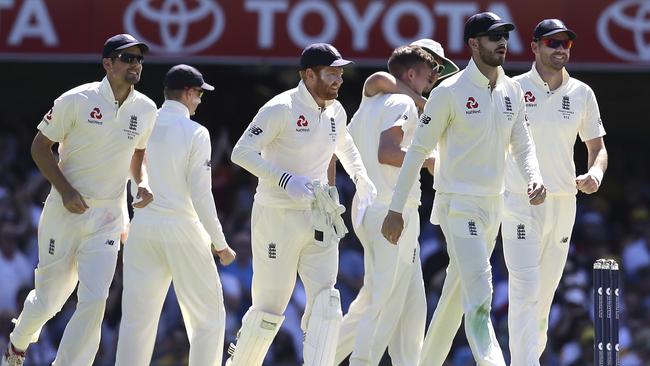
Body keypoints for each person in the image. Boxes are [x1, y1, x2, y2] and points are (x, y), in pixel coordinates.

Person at [381, 12, 546, 366]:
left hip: (493, 207)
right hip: (458, 206)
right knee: (480, 294)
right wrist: (395, 210)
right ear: (473, 44)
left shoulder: (512, 89)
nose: (502, 42)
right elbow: (418, 153)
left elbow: (523, 144)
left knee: (455, 299)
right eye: (492, 37)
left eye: (504, 35)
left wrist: (534, 176)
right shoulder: (448, 93)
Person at [1, 34, 157, 366]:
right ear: (108, 64)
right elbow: (39, 148)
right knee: (48, 301)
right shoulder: (76, 100)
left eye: (139, 59)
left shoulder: (146, 109)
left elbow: (138, 153)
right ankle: (16, 347)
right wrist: (66, 190)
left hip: (108, 218)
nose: (135, 64)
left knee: (95, 299)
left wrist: (141, 183)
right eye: (127, 58)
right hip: (65, 211)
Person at [227, 43, 376, 366]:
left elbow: (344, 145)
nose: (338, 79)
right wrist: (285, 180)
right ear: (308, 75)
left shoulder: (335, 110)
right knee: (269, 310)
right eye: (330, 73)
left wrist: (362, 178)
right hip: (277, 215)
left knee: (327, 305)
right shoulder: (281, 108)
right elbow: (241, 152)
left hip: (318, 214)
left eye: (340, 73)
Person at [334, 42, 455, 366]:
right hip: (392, 213)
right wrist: (429, 160)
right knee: (383, 301)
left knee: (409, 305)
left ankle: (321, 358)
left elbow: (376, 80)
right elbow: (387, 152)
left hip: (373, 210)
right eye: (430, 76)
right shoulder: (403, 101)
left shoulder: (369, 103)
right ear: (412, 73)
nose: (432, 85)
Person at [114, 64, 237, 366]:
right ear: (188, 92)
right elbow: (200, 193)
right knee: (208, 318)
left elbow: (119, 174)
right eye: (198, 95)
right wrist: (220, 243)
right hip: (182, 227)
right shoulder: (196, 132)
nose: (199, 101)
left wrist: (123, 220)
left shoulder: (140, 122)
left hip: (141, 228)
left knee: (136, 322)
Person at [503, 19, 607, 365]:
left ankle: (529, 357)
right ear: (534, 47)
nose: (560, 49)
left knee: (543, 300)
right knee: (524, 290)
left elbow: (597, 147)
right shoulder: (511, 89)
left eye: (565, 43)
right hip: (519, 201)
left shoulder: (582, 93)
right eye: (552, 43)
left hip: (563, 204)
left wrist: (595, 172)